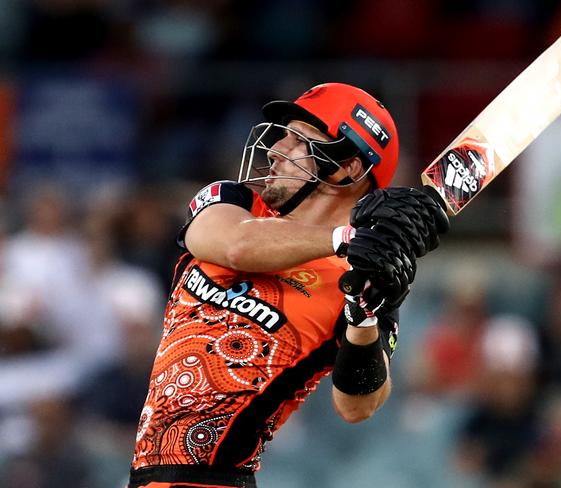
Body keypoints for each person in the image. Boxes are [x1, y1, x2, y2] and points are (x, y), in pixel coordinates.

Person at [127, 82, 449, 488]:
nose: (277, 149)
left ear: (347, 165)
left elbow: (358, 404)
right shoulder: (233, 202)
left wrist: (363, 319)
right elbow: (238, 245)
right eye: (283, 135)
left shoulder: (361, 279)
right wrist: (346, 237)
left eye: (298, 141)